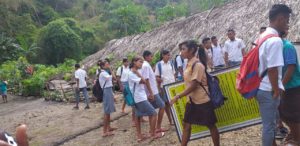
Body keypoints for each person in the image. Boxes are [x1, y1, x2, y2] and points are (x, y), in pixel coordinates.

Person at [170, 40, 220, 146]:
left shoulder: (197, 65)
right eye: (181, 50)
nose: (181, 52)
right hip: (191, 101)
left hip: (202, 101)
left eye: (183, 49)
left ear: (192, 50)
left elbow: (194, 85)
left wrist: (178, 96)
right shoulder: (188, 64)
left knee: (211, 125)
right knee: (186, 125)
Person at [256, 4, 292, 146]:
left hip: (261, 86)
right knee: (269, 127)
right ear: (280, 19)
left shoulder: (263, 36)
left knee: (268, 125)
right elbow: (272, 69)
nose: (287, 23)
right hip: (268, 89)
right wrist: (276, 90)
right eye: (287, 20)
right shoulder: (275, 40)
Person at [128, 57, 164, 142]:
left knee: (138, 116)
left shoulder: (132, 73)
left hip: (138, 97)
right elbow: (143, 81)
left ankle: (139, 135)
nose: (141, 64)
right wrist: (137, 72)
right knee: (153, 113)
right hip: (139, 98)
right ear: (134, 62)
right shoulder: (132, 73)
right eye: (140, 62)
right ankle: (153, 134)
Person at [279, 28, 300, 145]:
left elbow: (291, 68)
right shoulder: (278, 47)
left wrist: (280, 87)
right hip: (286, 86)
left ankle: (297, 139)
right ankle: (294, 134)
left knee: (292, 114)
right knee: (284, 113)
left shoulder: (287, 47)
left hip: (292, 86)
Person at [142, 50, 168, 133]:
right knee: (162, 105)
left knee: (152, 110)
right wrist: (151, 92)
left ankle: (152, 129)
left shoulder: (146, 65)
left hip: (153, 90)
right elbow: (146, 79)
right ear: (146, 56)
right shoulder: (145, 65)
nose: (152, 58)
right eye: (151, 56)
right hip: (152, 91)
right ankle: (157, 127)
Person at [155, 49, 176, 125]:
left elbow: (174, 74)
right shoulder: (159, 65)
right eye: (167, 55)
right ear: (163, 55)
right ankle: (170, 120)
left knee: (173, 102)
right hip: (164, 87)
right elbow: (156, 77)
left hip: (172, 86)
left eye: (169, 55)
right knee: (167, 104)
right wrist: (160, 81)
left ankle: (176, 119)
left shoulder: (171, 63)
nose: (169, 56)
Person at [99, 60, 117, 137]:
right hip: (106, 91)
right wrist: (110, 70)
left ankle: (108, 128)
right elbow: (114, 78)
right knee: (106, 112)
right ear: (103, 66)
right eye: (107, 64)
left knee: (108, 111)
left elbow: (113, 79)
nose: (108, 65)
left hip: (108, 90)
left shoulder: (105, 73)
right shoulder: (103, 73)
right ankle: (104, 131)